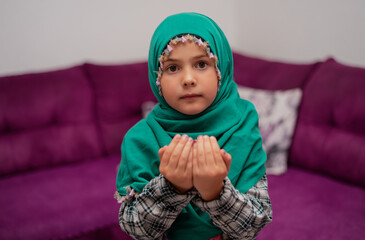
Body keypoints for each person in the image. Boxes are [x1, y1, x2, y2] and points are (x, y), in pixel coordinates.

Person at [115, 12, 272, 240]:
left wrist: (216, 193)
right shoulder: (139, 139)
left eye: (201, 64)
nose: (188, 79)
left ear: (222, 70)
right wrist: (171, 188)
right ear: (155, 77)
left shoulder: (243, 122)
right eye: (172, 68)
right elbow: (136, 228)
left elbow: (255, 223)